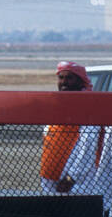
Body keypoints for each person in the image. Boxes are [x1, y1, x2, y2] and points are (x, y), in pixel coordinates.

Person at [40, 61, 103, 195]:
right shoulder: (58, 105)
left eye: (69, 78)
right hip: (52, 180)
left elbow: (88, 146)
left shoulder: (88, 107)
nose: (64, 82)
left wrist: (71, 178)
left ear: (80, 82)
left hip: (77, 183)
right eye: (61, 77)